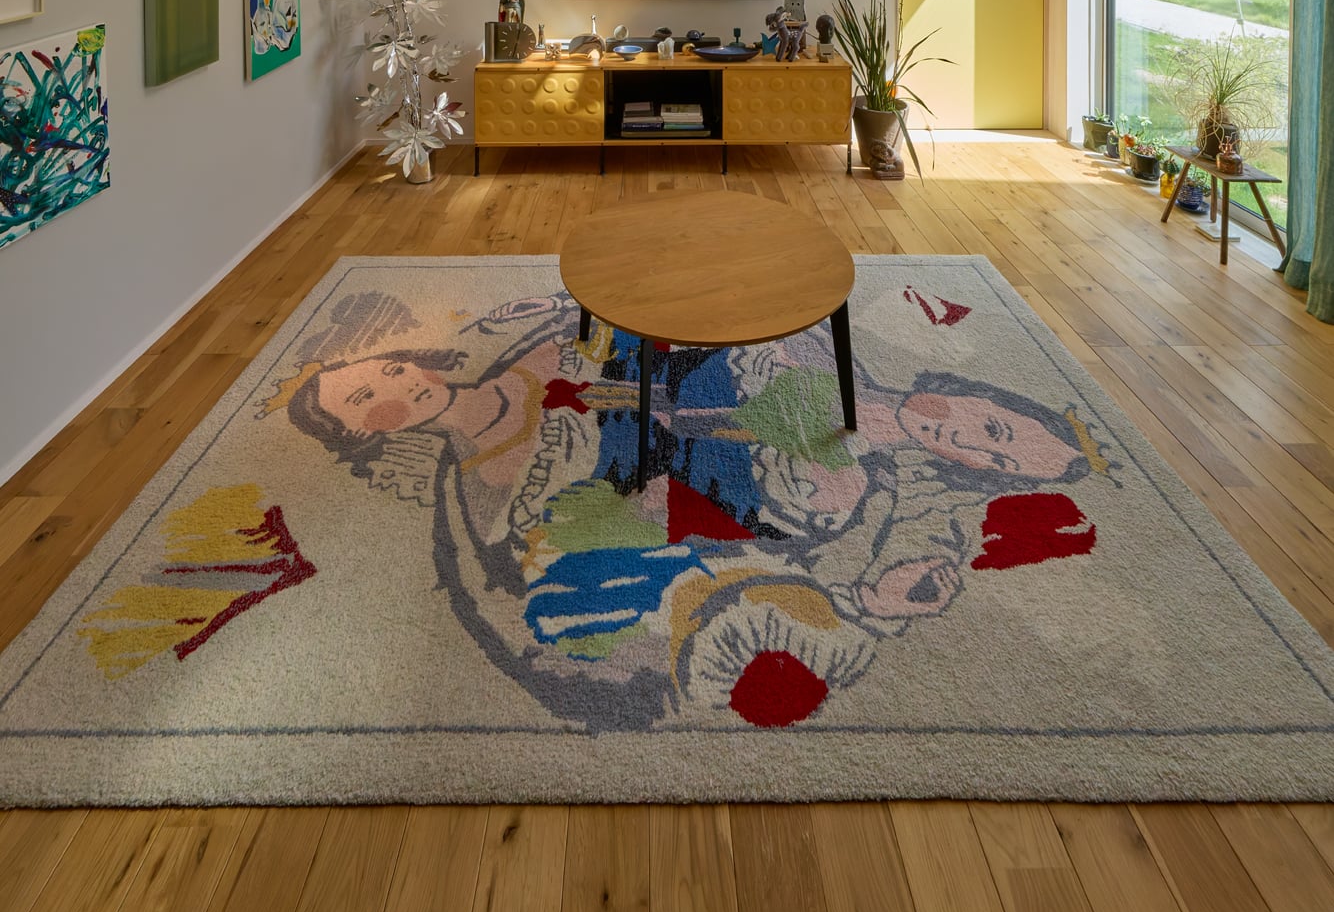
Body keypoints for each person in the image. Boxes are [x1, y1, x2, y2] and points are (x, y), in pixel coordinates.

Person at [283, 301, 1102, 730]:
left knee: (816, 443)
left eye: (388, 368)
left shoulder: (540, 356)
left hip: (708, 416)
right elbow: (610, 531)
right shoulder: (493, 492)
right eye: (367, 397)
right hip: (693, 467)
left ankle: (936, 449)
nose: (396, 383)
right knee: (813, 472)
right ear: (370, 434)